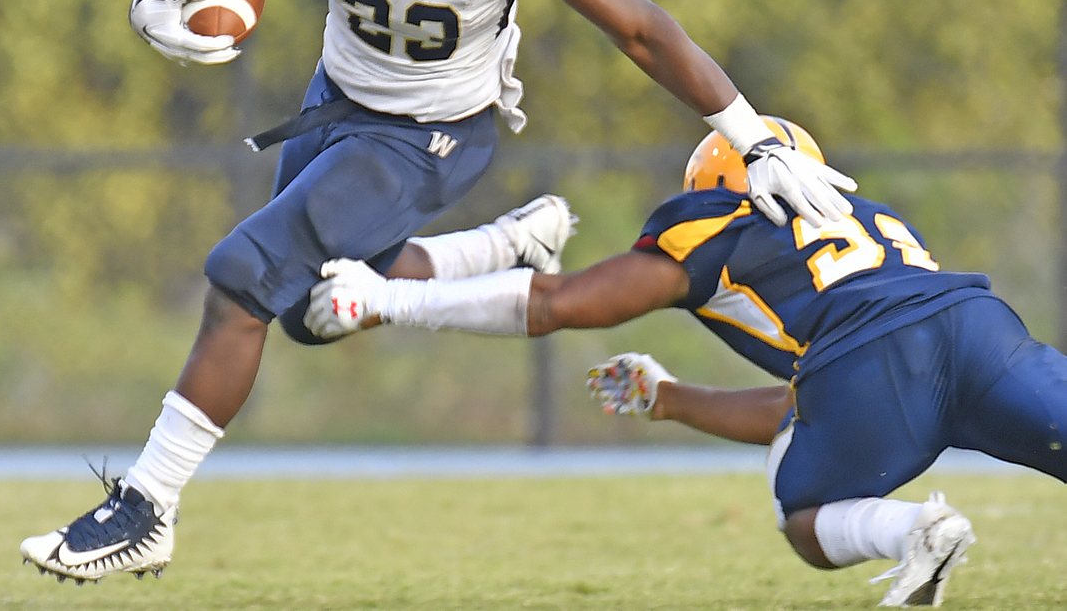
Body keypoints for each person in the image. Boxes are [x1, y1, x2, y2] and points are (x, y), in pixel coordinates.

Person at [20, 0, 856, 583]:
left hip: (435, 135)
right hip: (335, 105)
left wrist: (751, 138)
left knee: (243, 275)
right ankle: (503, 247)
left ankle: (146, 506)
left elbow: (643, 31)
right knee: (313, 313)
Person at [306, 117, 1067, 607]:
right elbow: (811, 407)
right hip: (978, 328)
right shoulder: (870, 223)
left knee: (801, 516)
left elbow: (557, 302)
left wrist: (390, 300)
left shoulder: (722, 226)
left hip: (870, 368)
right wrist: (669, 399)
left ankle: (912, 533)